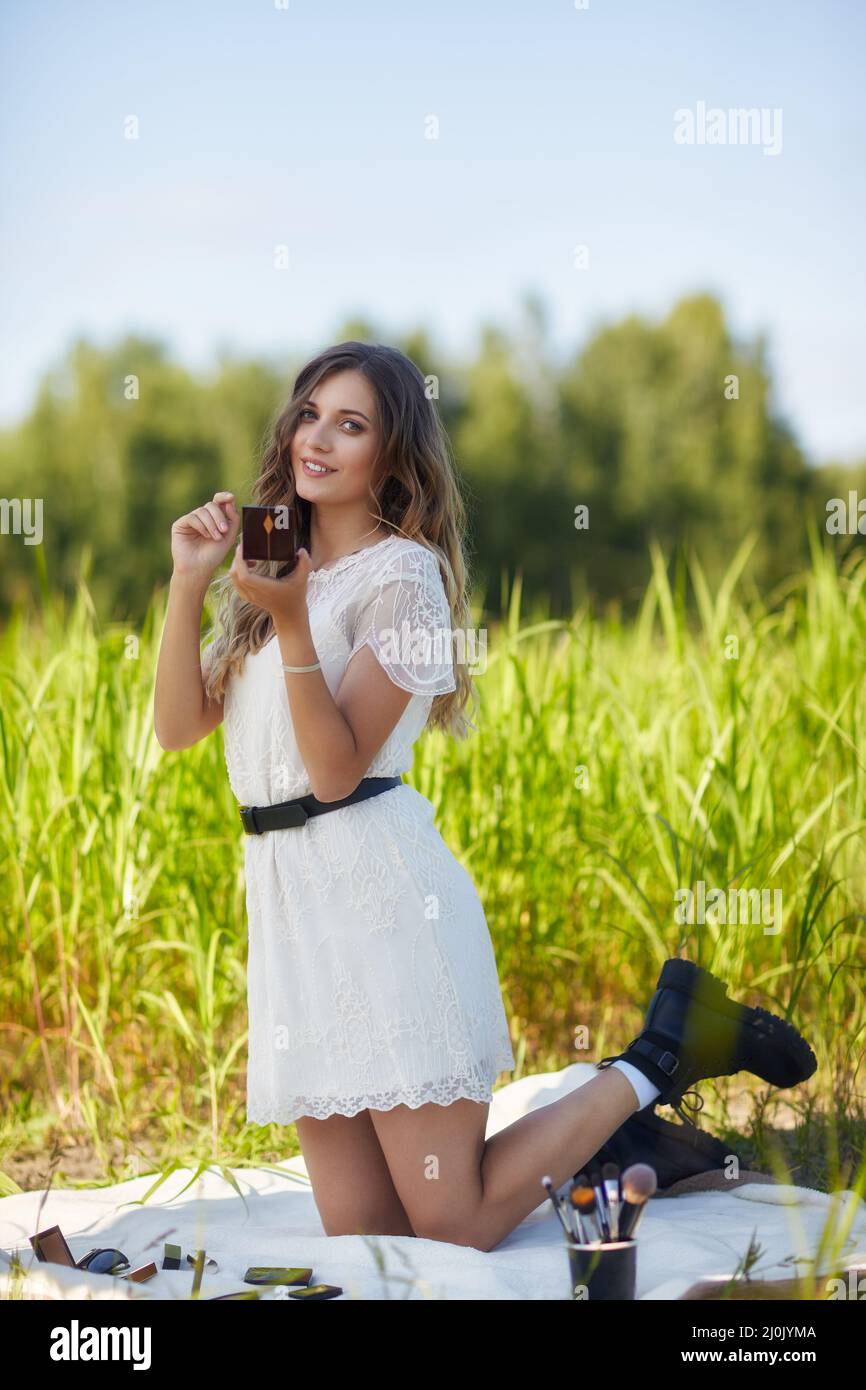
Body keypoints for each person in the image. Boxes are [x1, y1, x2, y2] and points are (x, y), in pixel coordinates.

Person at [153, 341, 817, 1253]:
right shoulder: (279, 570)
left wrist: (300, 621)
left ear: (394, 457)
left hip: (383, 907)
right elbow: (179, 725)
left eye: (352, 424)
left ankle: (660, 1052)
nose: (319, 438)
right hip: (293, 916)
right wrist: (192, 579)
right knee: (368, 1238)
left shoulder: (404, 580)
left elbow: (338, 771)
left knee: (452, 1223)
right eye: (310, 414)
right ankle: (607, 1139)